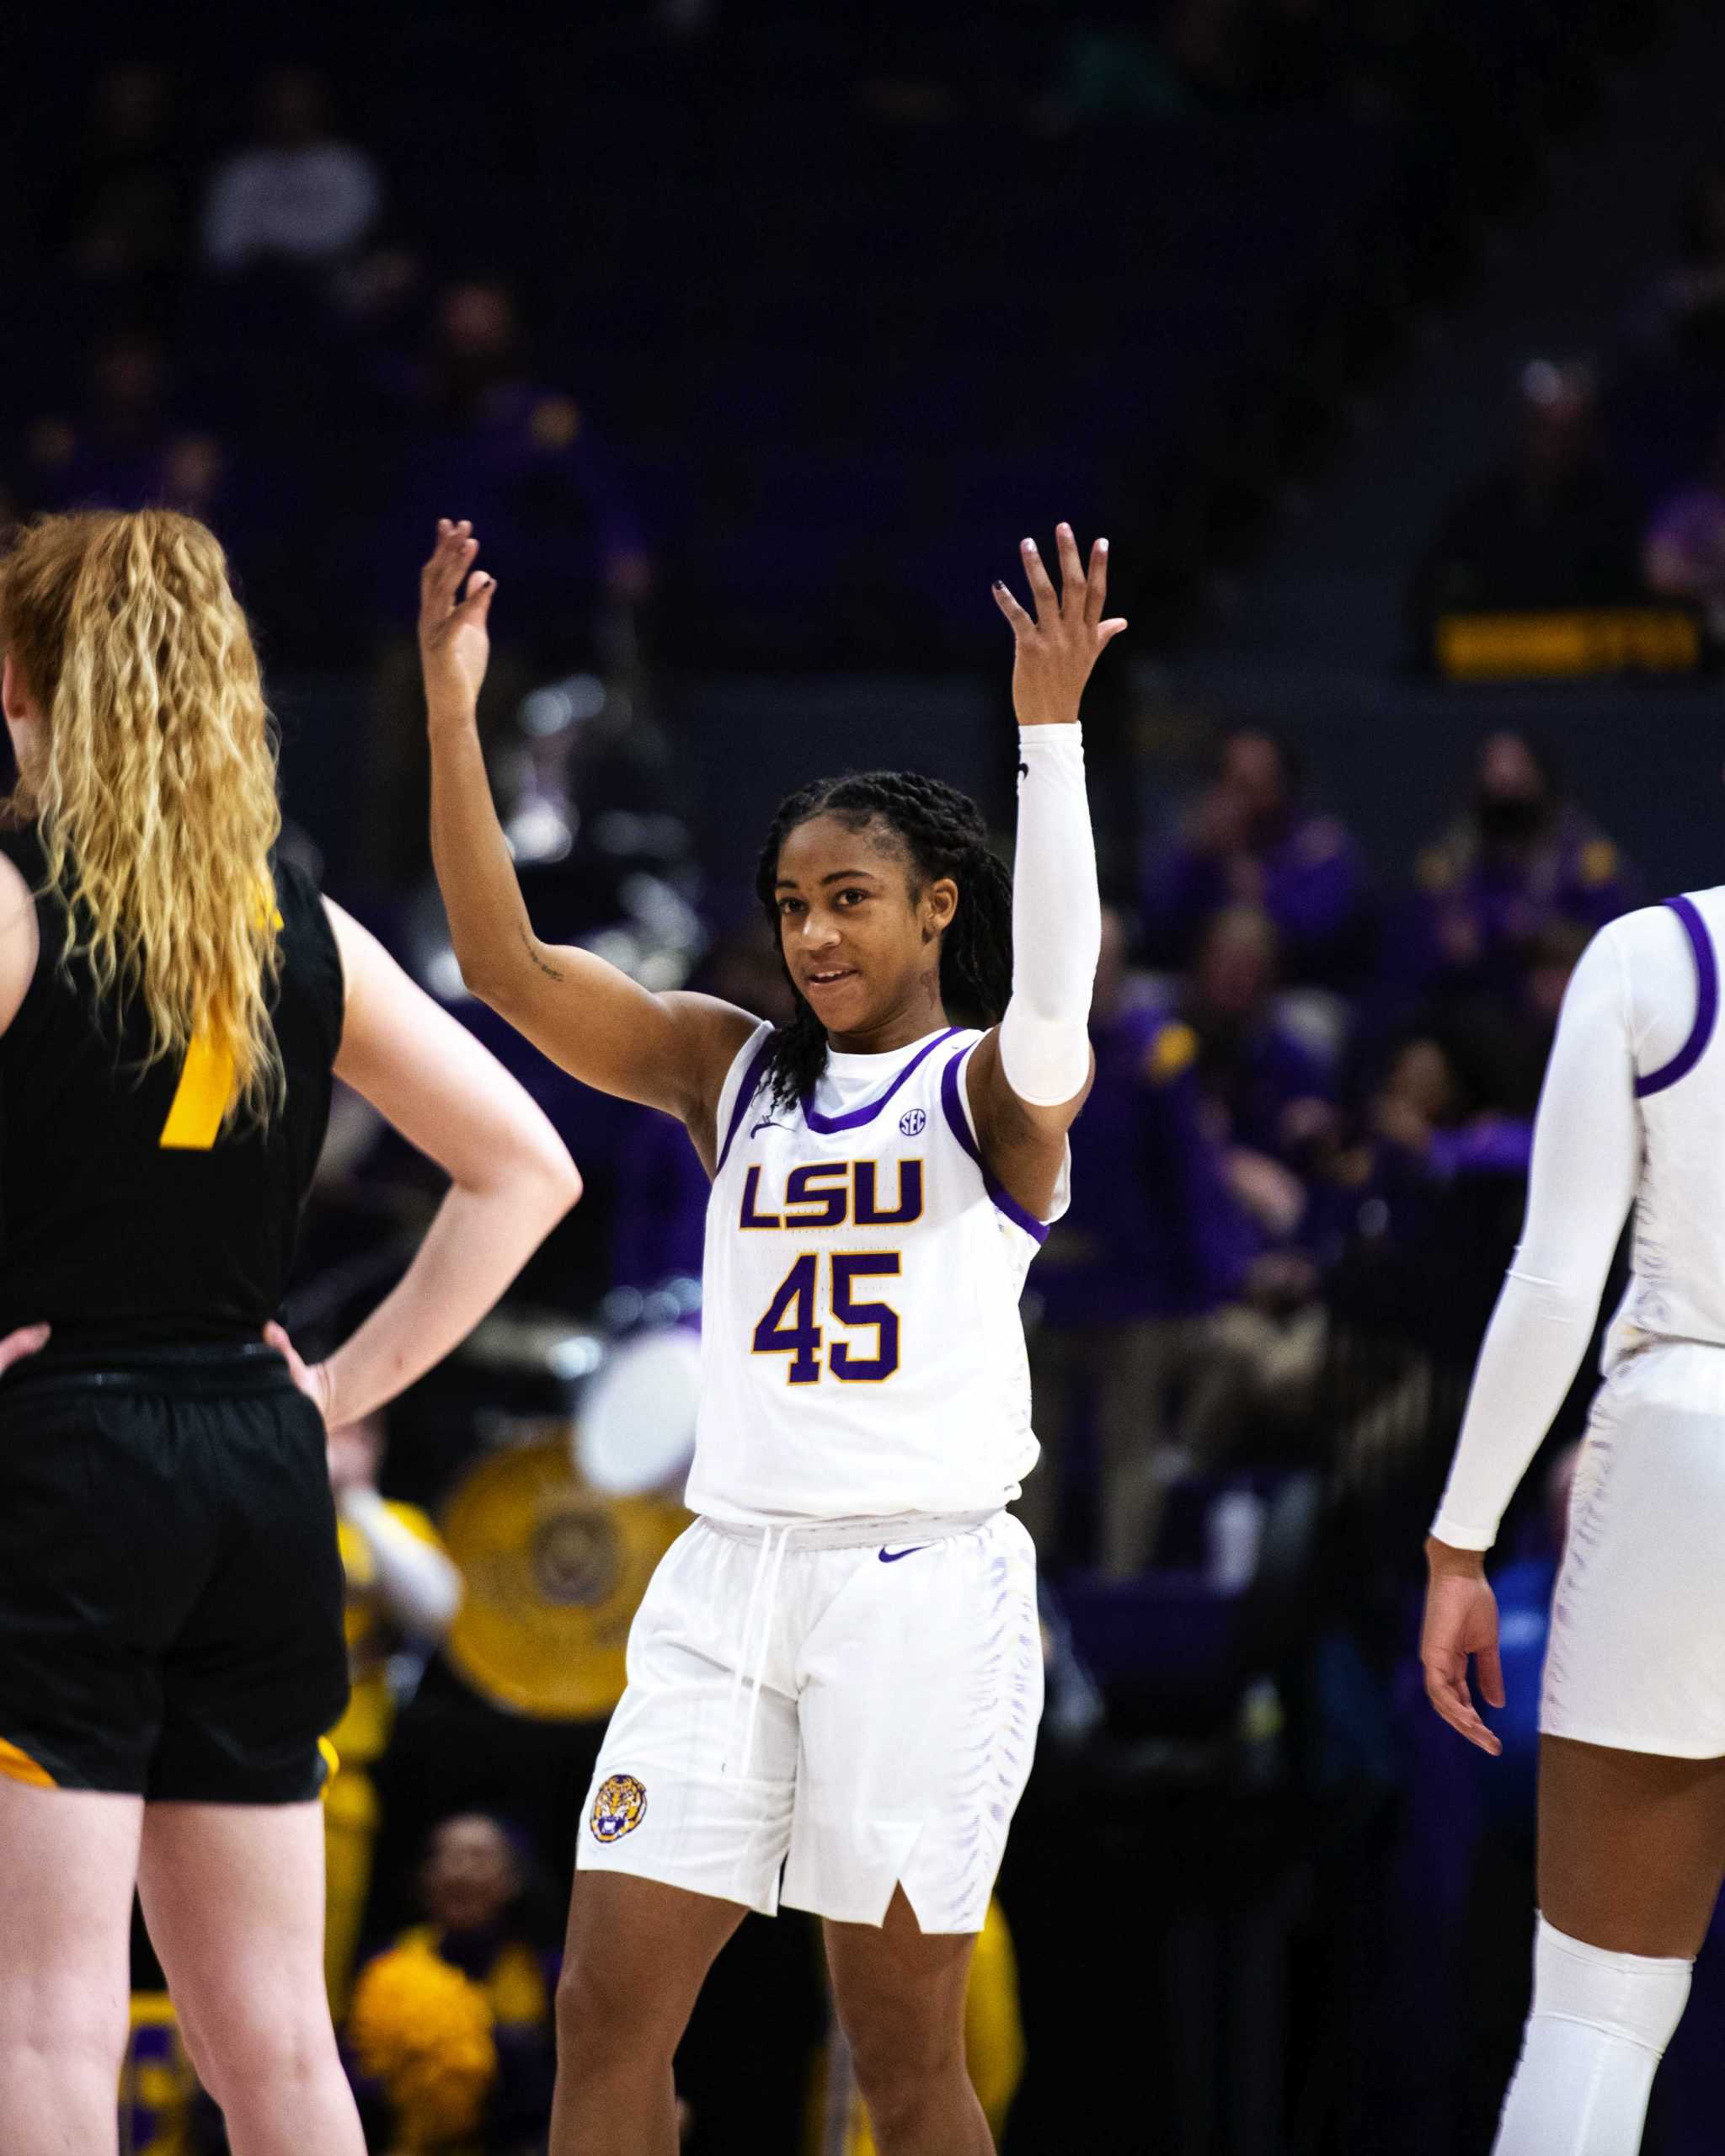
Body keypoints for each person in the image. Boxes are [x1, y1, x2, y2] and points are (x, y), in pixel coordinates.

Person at [421, 515, 1119, 2154]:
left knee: (897, 2054)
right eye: (795, 903)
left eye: (853, 899)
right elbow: (506, 967)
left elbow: (1062, 998)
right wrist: (454, 715)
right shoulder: (726, 1069)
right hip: (727, 1574)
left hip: (917, 1589)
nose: (814, 934)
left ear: (940, 906)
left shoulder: (985, 1098)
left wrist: (1048, 735)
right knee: (604, 2010)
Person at [0, 508, 580, 2156]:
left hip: (61, 1465)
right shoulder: (301, 920)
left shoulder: (12, 900)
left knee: (42, 2019)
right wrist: (328, 1393)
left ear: (22, 678)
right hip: (256, 1477)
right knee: (278, 2040)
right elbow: (524, 1165)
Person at [1420, 873, 1725, 2152]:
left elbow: (1554, 1279)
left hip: (1685, 1437)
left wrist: (1461, 1541)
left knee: (1598, 2018)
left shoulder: (1658, 953)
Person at [323, 1412, 464, 2015]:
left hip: (334, 1788)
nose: (339, 1447)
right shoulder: (257, 1510)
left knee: (310, 1985)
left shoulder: (386, 1525)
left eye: (356, 1433)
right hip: (229, 1775)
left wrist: (353, 1496)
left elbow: (438, 1604)